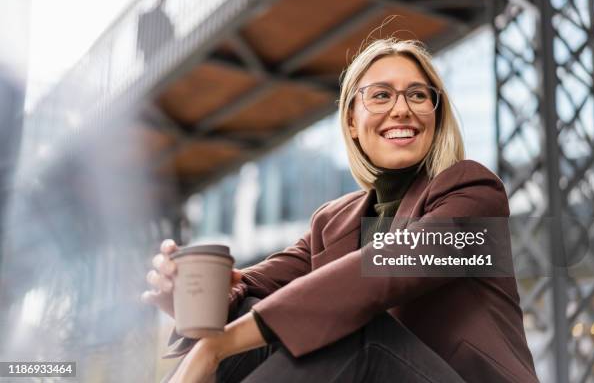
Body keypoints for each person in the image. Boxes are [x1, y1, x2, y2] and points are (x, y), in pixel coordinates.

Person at [142, 38, 539, 382]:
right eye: (381, 95)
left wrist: (216, 347)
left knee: (357, 332)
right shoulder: (331, 223)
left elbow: (383, 271)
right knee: (250, 312)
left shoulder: (473, 190)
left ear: (435, 115)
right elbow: (249, 289)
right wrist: (187, 296)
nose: (402, 109)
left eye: (418, 95)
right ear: (351, 120)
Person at [137, 0, 175, 64]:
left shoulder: (164, 17)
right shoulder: (148, 16)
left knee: (152, 62)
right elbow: (140, 31)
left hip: (157, 46)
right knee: (150, 62)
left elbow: (170, 32)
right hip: (151, 45)